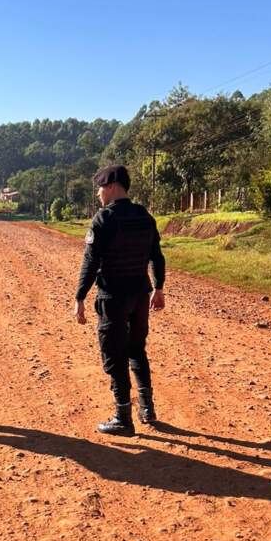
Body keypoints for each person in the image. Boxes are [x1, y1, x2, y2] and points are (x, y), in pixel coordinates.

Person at [74, 164, 166, 436]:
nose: (98, 194)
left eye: (101, 188)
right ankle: (147, 408)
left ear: (112, 186)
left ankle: (122, 417)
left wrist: (80, 297)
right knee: (137, 349)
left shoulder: (104, 219)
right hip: (140, 295)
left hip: (113, 297)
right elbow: (157, 256)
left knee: (114, 354)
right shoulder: (144, 216)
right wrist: (158, 288)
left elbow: (90, 262)